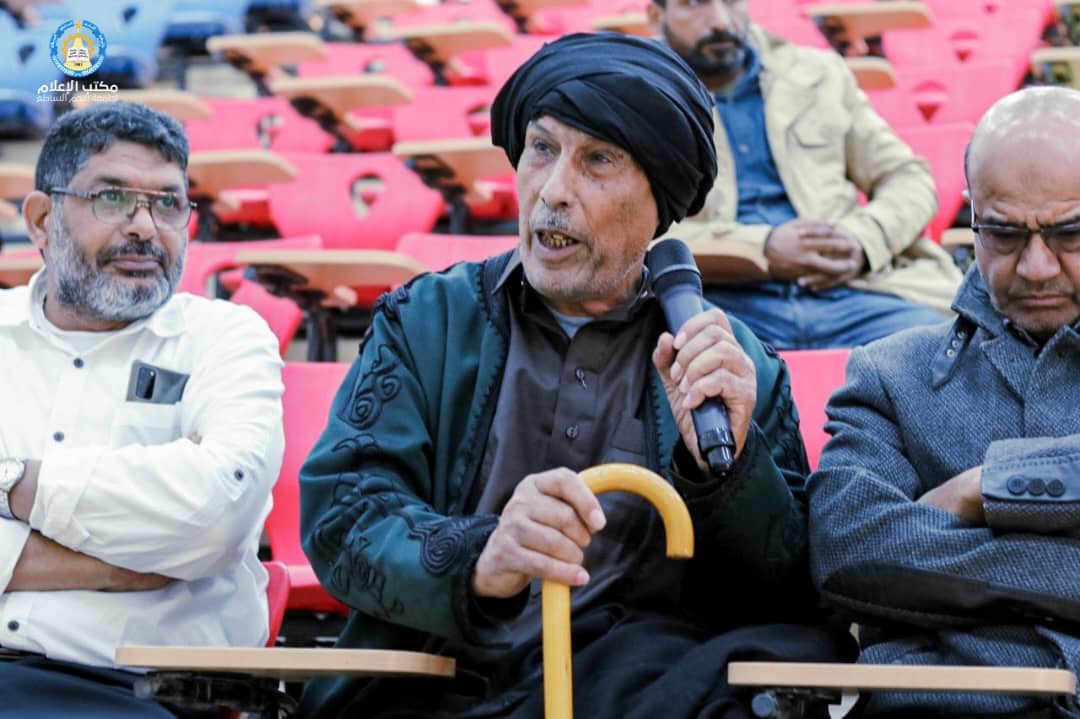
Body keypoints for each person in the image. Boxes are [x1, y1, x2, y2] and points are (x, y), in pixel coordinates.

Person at [298, 32, 852, 719]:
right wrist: (482, 557)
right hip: (430, 689)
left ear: (659, 202)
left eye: (598, 160)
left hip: (633, 698)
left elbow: (786, 593)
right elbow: (341, 514)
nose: (554, 190)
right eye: (542, 148)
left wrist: (724, 474)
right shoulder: (427, 319)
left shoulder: (734, 367)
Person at [0, 102, 285, 717]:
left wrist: (11, 482)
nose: (145, 227)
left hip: (138, 690)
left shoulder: (226, 339)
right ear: (43, 219)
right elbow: (177, 531)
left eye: (168, 203)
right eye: (112, 199)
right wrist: (118, 565)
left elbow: (215, 515)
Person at [808, 86, 1080, 718]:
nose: (1037, 267)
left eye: (1070, 233)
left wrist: (983, 490)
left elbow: (887, 558)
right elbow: (849, 552)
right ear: (972, 220)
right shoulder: (887, 373)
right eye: (1004, 234)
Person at [648, 0, 963, 350]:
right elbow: (629, 232)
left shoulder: (818, 73)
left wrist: (862, 239)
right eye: (695, 4)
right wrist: (761, 248)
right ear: (656, 16)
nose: (721, 21)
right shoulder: (638, 94)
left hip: (855, 293)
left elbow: (908, 176)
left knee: (949, 351)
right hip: (719, 302)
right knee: (673, 354)